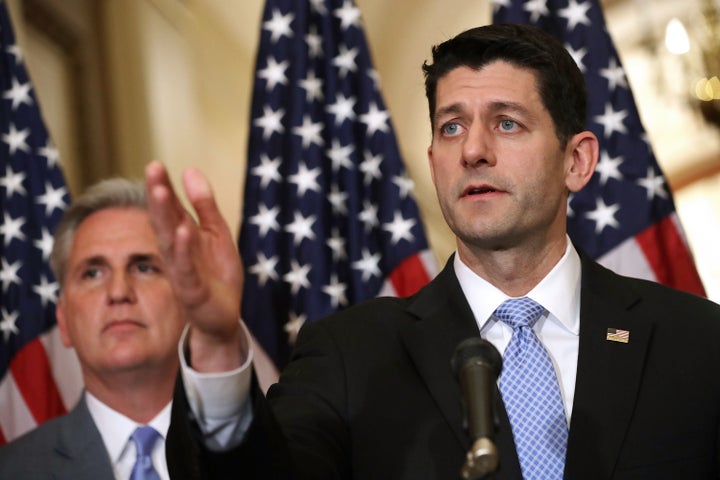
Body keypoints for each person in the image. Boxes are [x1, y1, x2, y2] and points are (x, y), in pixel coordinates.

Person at [162, 23, 720, 479]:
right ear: (432, 163)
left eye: (506, 122)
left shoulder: (696, 342)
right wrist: (214, 347)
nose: (473, 150)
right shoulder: (351, 357)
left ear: (576, 161)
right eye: (451, 128)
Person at [0, 172, 292, 479]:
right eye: (93, 274)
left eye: (144, 267)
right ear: (63, 319)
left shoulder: (291, 449)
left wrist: (219, 342)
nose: (118, 292)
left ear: (188, 294)